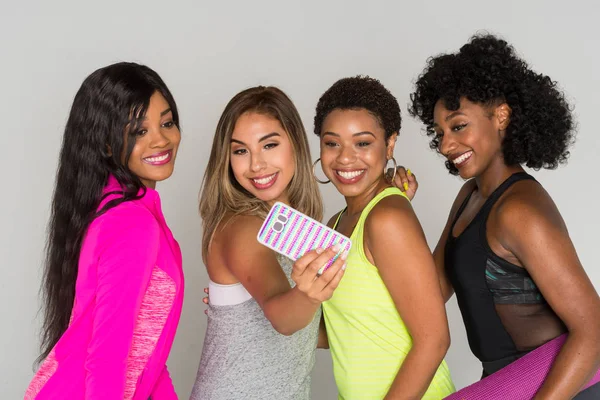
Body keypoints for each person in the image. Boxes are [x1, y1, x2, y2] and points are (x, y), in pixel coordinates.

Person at [408, 33, 600, 398]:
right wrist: (394, 205)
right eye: (440, 133)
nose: (446, 145)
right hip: (504, 379)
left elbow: (593, 331)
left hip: (560, 381)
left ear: (501, 115)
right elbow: (428, 291)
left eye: (458, 125)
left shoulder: (519, 211)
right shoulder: (471, 195)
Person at [25, 62, 184, 399]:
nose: (162, 139)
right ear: (108, 144)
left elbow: (149, 353)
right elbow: (107, 358)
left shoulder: (126, 211)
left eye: (167, 122)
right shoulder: (132, 222)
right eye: (138, 131)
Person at [191, 86, 345, 400]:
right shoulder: (242, 226)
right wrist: (306, 294)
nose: (257, 164)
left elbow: (305, 334)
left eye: (269, 145)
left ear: (295, 146)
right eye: (240, 150)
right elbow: (284, 319)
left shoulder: (292, 228)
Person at [314, 76, 455, 399]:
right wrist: (254, 307)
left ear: (389, 145)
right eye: (332, 143)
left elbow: (433, 340)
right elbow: (339, 331)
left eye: (362, 143)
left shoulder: (388, 218)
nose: (345, 158)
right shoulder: (336, 224)